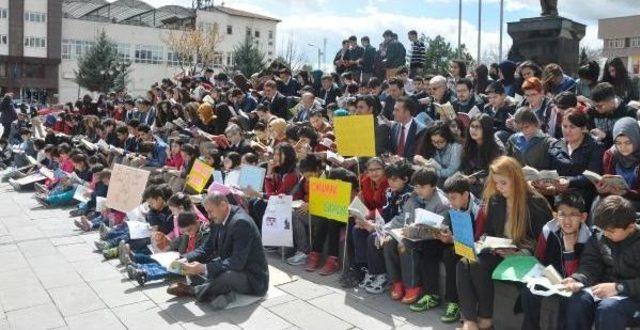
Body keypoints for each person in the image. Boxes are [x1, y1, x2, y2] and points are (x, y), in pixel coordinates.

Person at [457, 156, 552, 330]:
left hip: (525, 258)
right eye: (496, 183)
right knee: (465, 263)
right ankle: (474, 321)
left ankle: (484, 322)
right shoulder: (496, 200)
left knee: (529, 289)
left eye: (503, 183)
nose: (499, 188)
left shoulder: (536, 203)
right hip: (500, 253)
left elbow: (543, 241)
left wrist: (520, 252)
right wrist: (486, 241)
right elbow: (490, 231)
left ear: (515, 178)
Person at [167, 193, 269, 309]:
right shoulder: (218, 218)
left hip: (252, 277)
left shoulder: (241, 223)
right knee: (199, 267)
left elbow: (237, 262)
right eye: (208, 212)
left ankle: (194, 290)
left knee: (226, 276)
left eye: (210, 211)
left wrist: (204, 268)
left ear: (223, 205)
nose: (209, 216)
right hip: (232, 264)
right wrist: (186, 258)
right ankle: (215, 292)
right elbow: (207, 247)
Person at [563, 195, 640, 329]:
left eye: (610, 231)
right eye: (602, 229)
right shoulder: (600, 235)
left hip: (634, 296)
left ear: (631, 227)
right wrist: (577, 279)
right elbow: (590, 265)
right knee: (578, 299)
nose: (605, 234)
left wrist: (619, 288)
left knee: (608, 308)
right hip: (606, 290)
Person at [521, 192, 591, 330]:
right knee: (528, 290)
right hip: (550, 277)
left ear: (583, 217)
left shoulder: (588, 239)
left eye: (573, 214)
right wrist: (538, 273)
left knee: (569, 299)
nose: (567, 220)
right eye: (562, 214)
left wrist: (570, 250)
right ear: (556, 216)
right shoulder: (549, 230)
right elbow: (539, 258)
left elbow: (579, 274)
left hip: (573, 282)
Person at [383, 168, 451, 305]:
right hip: (411, 233)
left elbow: (439, 230)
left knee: (405, 245)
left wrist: (413, 233)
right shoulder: (413, 197)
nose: (418, 190)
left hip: (431, 240)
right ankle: (397, 281)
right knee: (388, 241)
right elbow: (402, 218)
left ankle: (413, 286)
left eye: (422, 187)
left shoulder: (442, 204)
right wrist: (385, 229)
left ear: (433, 186)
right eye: (416, 186)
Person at [548, 108, 605, 210]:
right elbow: (549, 171)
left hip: (583, 197)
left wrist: (569, 182)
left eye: (572, 127)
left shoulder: (595, 147)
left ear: (583, 128)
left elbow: (594, 175)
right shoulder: (556, 145)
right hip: (557, 195)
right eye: (564, 126)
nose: (567, 131)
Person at [460, 114, 505, 197]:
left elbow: (497, 176)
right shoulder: (470, 145)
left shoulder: (496, 149)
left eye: (478, 127)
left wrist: (476, 180)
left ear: (486, 129)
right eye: (472, 126)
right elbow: (464, 166)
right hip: (471, 185)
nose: (474, 130)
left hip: (491, 188)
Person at [600, 117, 640, 207]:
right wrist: (602, 189)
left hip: (635, 201)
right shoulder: (610, 154)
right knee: (598, 202)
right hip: (614, 198)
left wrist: (626, 193)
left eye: (628, 142)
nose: (623, 147)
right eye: (618, 143)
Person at [588, 82, 638, 149]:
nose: (596, 109)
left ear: (612, 102)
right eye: (595, 106)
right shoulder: (592, 111)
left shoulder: (628, 113)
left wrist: (606, 136)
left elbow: (630, 139)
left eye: (600, 106)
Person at [389, 96, 426, 160]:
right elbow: (391, 150)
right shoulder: (394, 127)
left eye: (397, 110)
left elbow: (418, 156)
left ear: (407, 112)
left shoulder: (421, 130)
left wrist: (401, 160)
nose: (393, 113)